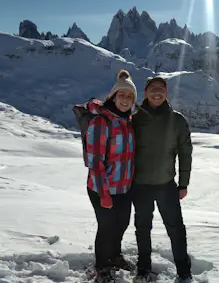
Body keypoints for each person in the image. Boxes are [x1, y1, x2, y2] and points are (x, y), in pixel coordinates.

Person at [132, 76, 193, 283]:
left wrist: (183, 184)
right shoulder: (135, 119)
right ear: (145, 92)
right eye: (152, 89)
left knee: (176, 229)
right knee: (142, 228)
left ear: (166, 93)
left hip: (166, 185)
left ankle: (184, 271)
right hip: (139, 185)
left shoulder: (177, 120)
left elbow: (186, 154)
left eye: (161, 89)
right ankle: (143, 268)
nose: (157, 93)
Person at [85, 69, 137, 282]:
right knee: (106, 227)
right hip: (101, 188)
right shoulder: (101, 122)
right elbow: (95, 161)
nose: (125, 99)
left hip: (123, 188)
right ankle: (102, 266)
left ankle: (115, 256)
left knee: (122, 223)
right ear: (113, 96)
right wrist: (104, 193)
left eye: (129, 96)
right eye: (121, 94)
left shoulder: (128, 121)